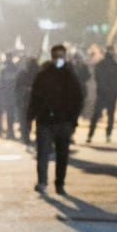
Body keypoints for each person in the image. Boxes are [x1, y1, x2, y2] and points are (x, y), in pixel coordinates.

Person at [27, 45, 84, 195]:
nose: (59, 59)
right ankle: (42, 182)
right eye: (56, 56)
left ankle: (59, 183)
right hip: (45, 120)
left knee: (62, 155)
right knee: (43, 154)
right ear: (52, 58)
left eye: (61, 56)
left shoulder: (70, 76)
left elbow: (78, 99)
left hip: (63, 122)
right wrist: (30, 117)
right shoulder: (43, 75)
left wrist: (73, 121)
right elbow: (34, 97)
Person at [87, 46, 117, 144]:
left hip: (102, 94)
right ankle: (108, 135)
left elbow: (97, 78)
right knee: (109, 116)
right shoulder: (116, 66)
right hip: (111, 94)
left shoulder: (100, 65)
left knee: (96, 116)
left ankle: (90, 135)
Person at [15, 56, 39, 147]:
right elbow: (18, 87)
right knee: (27, 122)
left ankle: (29, 138)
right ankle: (26, 138)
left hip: (34, 102)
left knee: (30, 121)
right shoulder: (23, 73)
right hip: (27, 101)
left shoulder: (39, 73)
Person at [0, 53, 19, 140]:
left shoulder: (6, 68)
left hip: (8, 95)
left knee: (8, 114)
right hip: (6, 95)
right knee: (7, 114)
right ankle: (5, 131)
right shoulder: (5, 68)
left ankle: (7, 131)